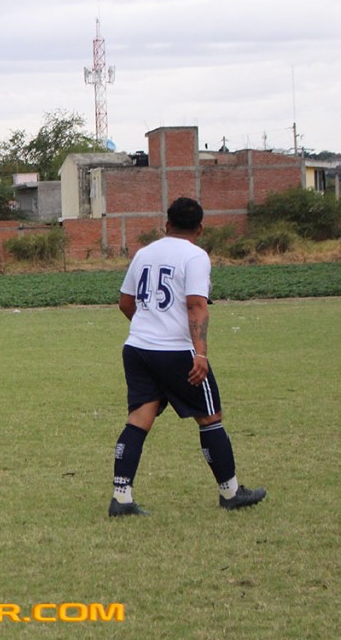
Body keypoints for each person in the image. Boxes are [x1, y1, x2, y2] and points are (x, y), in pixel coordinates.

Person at [109, 197, 265, 517]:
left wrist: (150, 326)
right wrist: (201, 353)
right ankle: (230, 493)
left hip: (137, 349)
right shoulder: (195, 256)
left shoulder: (144, 253)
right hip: (176, 351)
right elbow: (196, 305)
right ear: (200, 229)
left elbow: (125, 302)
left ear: (166, 225)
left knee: (138, 420)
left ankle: (121, 497)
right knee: (209, 417)